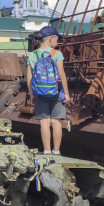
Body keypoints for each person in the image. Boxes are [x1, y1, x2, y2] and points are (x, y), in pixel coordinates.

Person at [25, 25, 70, 155]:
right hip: (56, 93)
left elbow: (29, 76)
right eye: (57, 39)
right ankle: (56, 151)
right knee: (56, 122)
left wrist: (31, 94)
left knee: (44, 122)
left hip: (40, 93)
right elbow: (61, 75)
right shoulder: (57, 54)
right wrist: (66, 94)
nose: (58, 42)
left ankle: (46, 150)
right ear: (51, 38)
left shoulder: (33, 55)